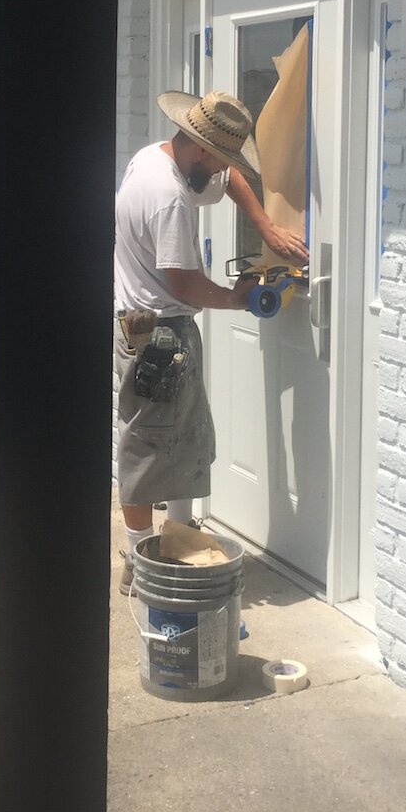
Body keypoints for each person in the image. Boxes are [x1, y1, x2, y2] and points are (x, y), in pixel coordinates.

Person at [112, 90, 308, 594]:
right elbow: (183, 284)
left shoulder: (155, 157)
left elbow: (232, 180)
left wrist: (263, 223)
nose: (226, 169)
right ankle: (138, 563)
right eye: (221, 158)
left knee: (183, 440)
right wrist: (240, 299)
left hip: (143, 324)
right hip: (158, 335)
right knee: (148, 445)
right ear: (199, 149)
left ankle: (177, 542)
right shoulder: (170, 197)